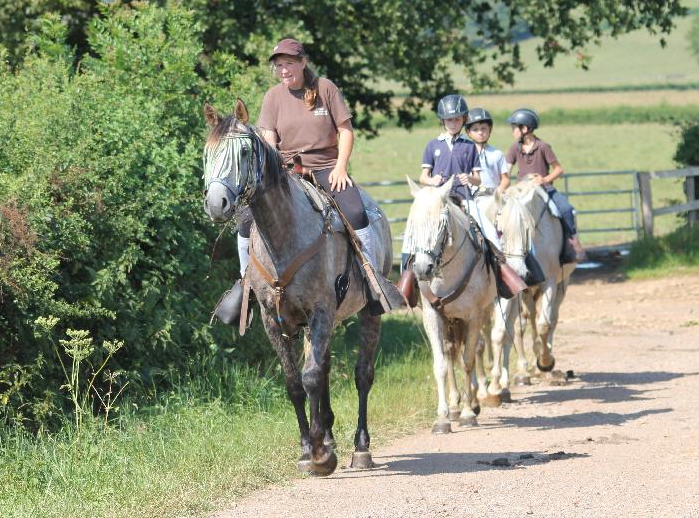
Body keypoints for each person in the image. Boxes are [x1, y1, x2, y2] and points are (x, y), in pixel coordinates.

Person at [214, 38, 386, 325]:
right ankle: (247, 285)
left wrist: (341, 167)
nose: (284, 70)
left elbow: (346, 131)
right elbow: (269, 142)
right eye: (279, 65)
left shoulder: (325, 89)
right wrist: (277, 168)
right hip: (287, 174)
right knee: (245, 219)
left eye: (289, 64)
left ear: (303, 62)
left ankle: (372, 281)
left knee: (357, 213)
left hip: (327, 169)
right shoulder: (272, 97)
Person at [399, 94, 502, 271]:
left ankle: (500, 276)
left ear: (463, 120)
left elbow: (478, 179)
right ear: (442, 121)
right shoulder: (433, 145)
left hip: (464, 200)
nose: (453, 123)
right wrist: (432, 180)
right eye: (449, 120)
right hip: (437, 202)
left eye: (456, 119)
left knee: (490, 232)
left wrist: (469, 178)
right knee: (411, 233)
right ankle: (406, 279)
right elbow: (423, 177)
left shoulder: (470, 146)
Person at [505, 108, 587, 263]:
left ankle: (573, 243)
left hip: (544, 189)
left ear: (525, 128)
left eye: (514, 128)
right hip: (522, 191)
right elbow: (506, 170)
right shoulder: (515, 147)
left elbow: (559, 169)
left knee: (566, 209)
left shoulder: (543, 147)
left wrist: (544, 179)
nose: (512, 131)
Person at [464, 108, 510, 196]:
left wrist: (498, 192)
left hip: (492, 195)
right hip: (471, 196)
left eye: (483, 128)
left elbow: (505, 179)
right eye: (475, 129)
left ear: (490, 129)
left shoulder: (497, 154)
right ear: (468, 132)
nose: (480, 132)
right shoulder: (464, 154)